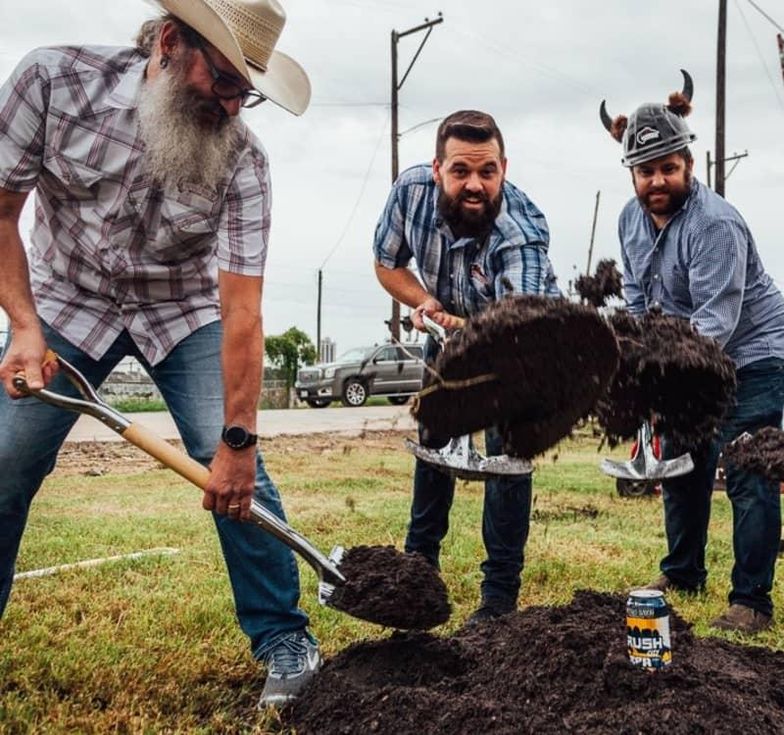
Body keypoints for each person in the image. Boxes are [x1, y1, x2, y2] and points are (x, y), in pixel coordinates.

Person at [0, 0, 320, 709]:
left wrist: (237, 439)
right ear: (171, 43)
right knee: (4, 455)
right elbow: (0, 210)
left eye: (249, 89)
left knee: (236, 465)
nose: (236, 105)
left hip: (182, 309)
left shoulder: (245, 162)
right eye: (226, 79)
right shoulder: (53, 83)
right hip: (65, 299)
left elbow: (241, 309)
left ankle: (284, 637)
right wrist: (25, 326)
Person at [601, 75, 784, 634]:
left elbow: (716, 318)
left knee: (747, 465)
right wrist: (635, 359)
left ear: (688, 163)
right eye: (645, 171)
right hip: (687, 354)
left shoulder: (714, 224)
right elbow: (639, 300)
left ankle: (752, 601)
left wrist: (660, 370)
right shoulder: (628, 221)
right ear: (633, 174)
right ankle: (683, 572)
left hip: (752, 352)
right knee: (683, 463)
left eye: (668, 166)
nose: (657, 179)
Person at [373, 110, 560, 624]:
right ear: (437, 169)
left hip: (518, 341)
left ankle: (498, 601)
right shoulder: (409, 192)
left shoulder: (520, 231)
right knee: (434, 444)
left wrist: (466, 331)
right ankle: (416, 575)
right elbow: (387, 262)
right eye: (461, 171)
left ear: (504, 168)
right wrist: (427, 302)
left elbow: (512, 328)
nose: (475, 185)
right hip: (449, 330)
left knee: (507, 458)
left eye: (487, 172)